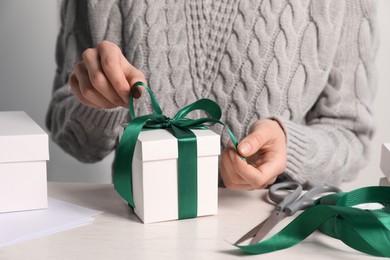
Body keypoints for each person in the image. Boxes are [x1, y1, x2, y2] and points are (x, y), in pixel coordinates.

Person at [46, 0, 378, 189]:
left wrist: (288, 147)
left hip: (271, 232)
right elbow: (73, 138)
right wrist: (100, 103)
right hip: (139, 230)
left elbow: (352, 136)